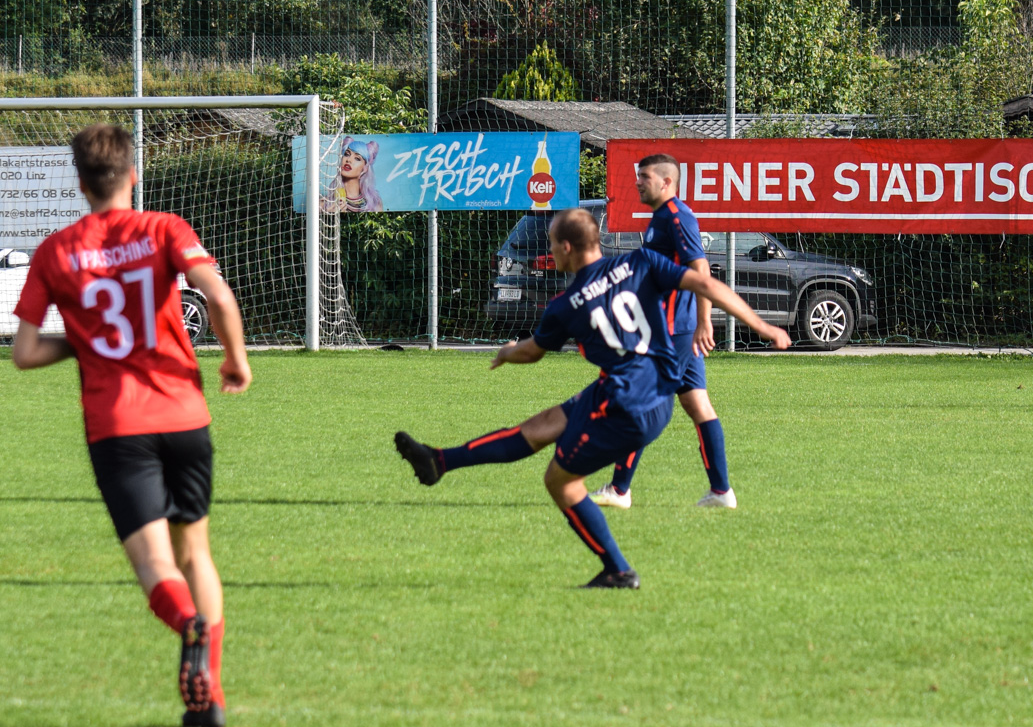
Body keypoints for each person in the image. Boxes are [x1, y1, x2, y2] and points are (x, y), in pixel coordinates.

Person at [394, 207, 789, 589]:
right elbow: (706, 284)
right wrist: (763, 326)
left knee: (560, 482)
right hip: (649, 389)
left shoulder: (566, 306)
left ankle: (618, 571)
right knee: (544, 425)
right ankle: (439, 461)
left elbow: (532, 353)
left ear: (567, 247)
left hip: (626, 403)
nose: (550, 250)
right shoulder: (641, 262)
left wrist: (507, 352)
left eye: (551, 243)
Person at [11, 124, 252, 727]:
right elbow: (219, 298)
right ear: (133, 175)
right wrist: (235, 360)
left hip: (118, 425)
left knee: (154, 566)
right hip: (185, 415)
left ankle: (187, 624)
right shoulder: (165, 229)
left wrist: (85, 341)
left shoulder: (57, 251)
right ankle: (210, 696)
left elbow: (25, 353)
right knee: (196, 553)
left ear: (80, 182)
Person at [592, 152, 736, 510]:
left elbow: (701, 269)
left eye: (645, 177)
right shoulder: (660, 217)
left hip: (674, 330)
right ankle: (721, 492)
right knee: (697, 404)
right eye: (638, 176)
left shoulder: (677, 216)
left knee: (639, 402)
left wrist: (704, 321)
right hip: (674, 328)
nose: (638, 182)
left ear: (666, 182)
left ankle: (619, 490)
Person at [321, 136, 382, 212]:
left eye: (357, 158)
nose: (349, 160)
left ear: (365, 168)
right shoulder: (324, 204)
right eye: (347, 154)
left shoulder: (375, 203)